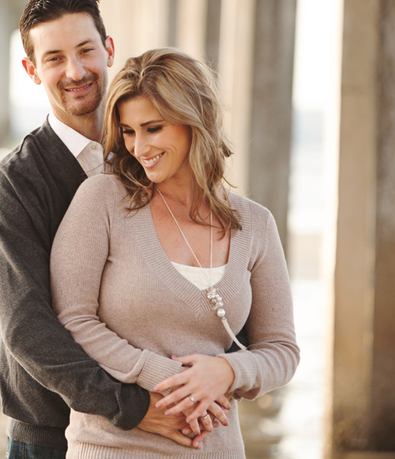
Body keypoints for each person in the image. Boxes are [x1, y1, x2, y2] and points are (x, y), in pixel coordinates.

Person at [0, 0, 227, 459]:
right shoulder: (16, 182)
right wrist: (133, 406)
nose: (75, 72)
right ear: (32, 71)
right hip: (49, 430)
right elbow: (27, 328)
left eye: (85, 51)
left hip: (163, 422)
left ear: (109, 49)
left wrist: (219, 375)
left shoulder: (151, 157)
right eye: (54, 58)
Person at [50, 48, 300, 457]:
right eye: (128, 131)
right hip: (113, 446)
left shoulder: (256, 224)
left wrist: (226, 371)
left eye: (153, 128)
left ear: (192, 122)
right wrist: (167, 376)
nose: (138, 147)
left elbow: (282, 351)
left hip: (215, 449)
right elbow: (74, 320)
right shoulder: (103, 200)